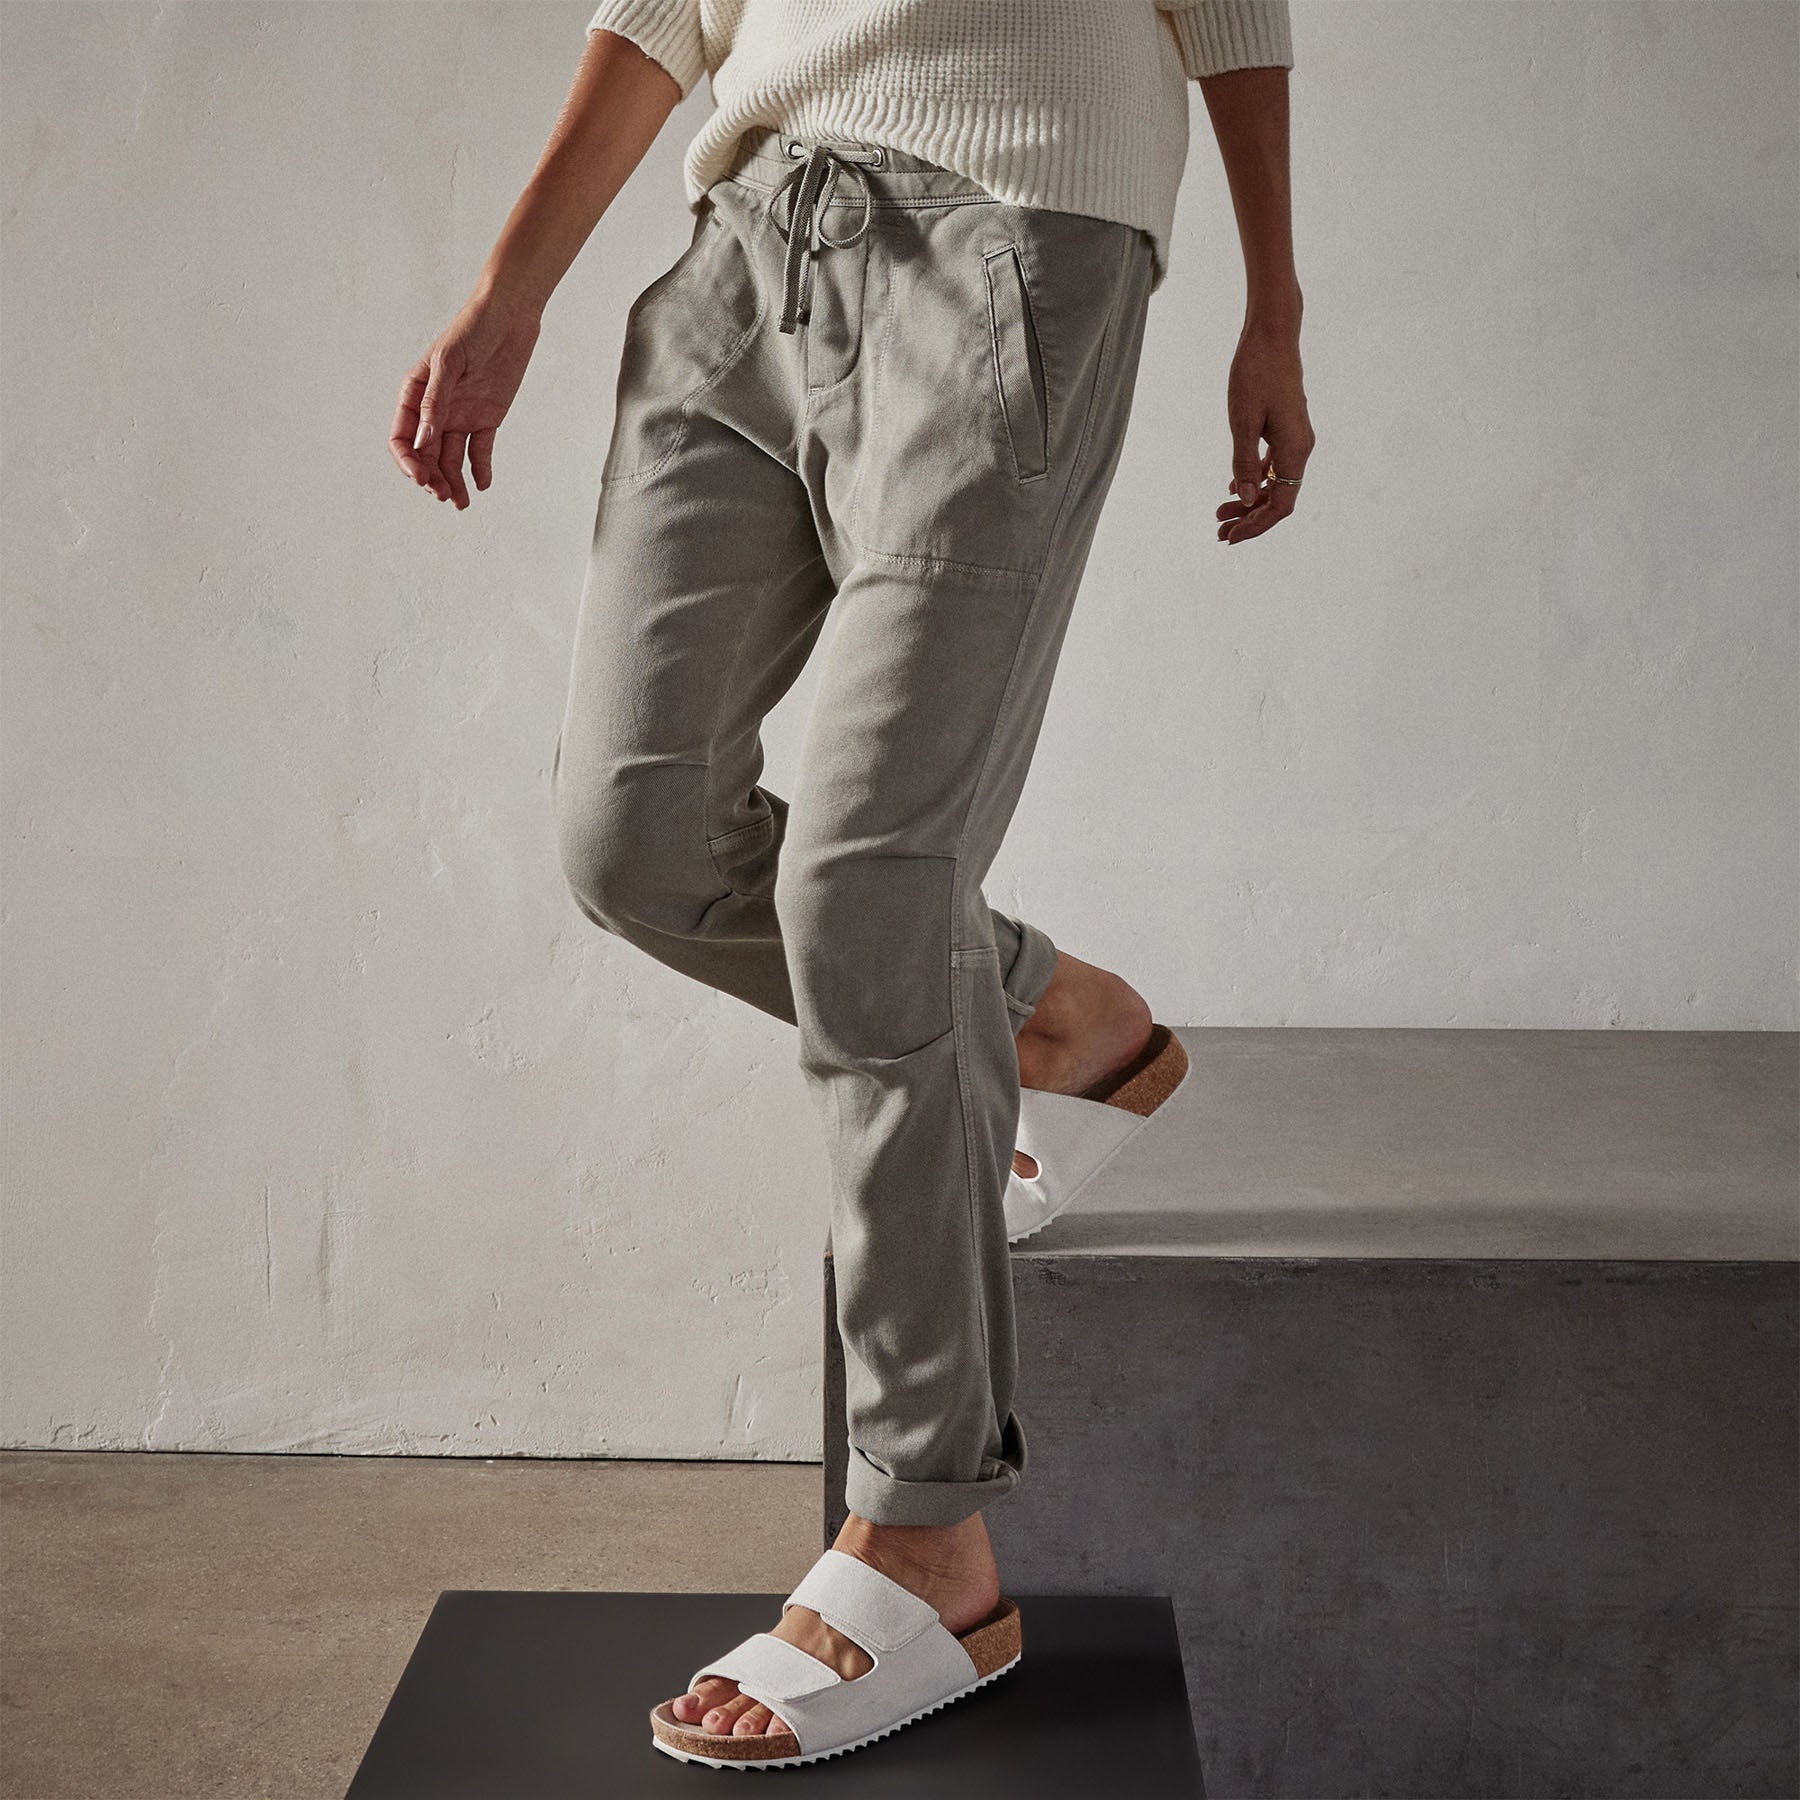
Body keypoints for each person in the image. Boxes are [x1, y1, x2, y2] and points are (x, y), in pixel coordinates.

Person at [389, 0, 1311, 1770]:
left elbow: (1232, 7)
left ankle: (925, 1533)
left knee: (873, 883)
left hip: (1016, 240)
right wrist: (514, 287)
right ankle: (1054, 1012)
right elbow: (672, 11)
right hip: (743, 248)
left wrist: (1272, 303)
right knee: (631, 838)